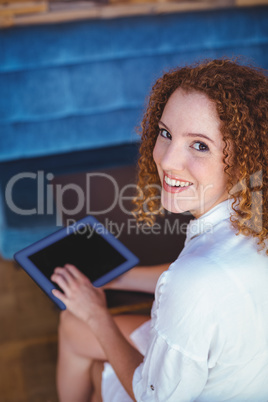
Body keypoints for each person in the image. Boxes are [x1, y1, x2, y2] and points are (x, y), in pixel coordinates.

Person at [51, 58, 268, 402]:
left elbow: (151, 397)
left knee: (90, 352)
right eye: (166, 133)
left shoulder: (194, 282)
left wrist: (96, 313)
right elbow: (216, 283)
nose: (166, 160)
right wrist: (120, 277)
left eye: (200, 145)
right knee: (74, 327)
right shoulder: (256, 219)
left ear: (246, 157)